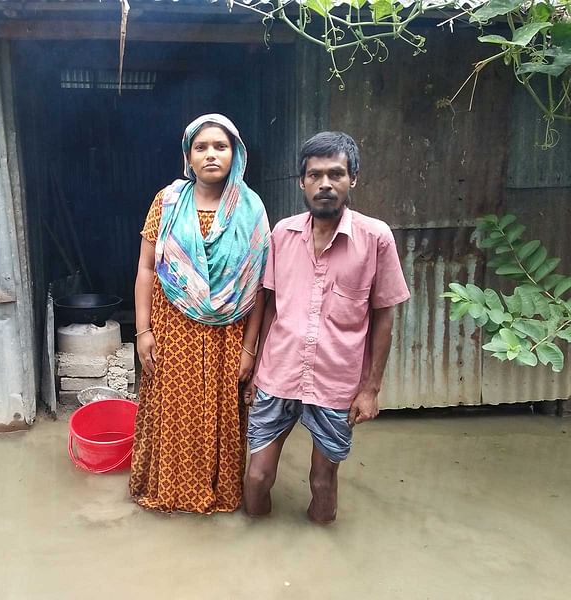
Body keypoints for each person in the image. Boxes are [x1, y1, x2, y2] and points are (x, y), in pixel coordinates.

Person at [243, 131, 410, 523]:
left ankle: (320, 549)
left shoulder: (375, 239)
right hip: (277, 376)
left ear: (353, 178)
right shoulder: (282, 234)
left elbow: (384, 316)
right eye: (315, 175)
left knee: (322, 483)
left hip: (336, 384)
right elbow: (270, 306)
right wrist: (256, 368)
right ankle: (255, 552)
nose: (325, 184)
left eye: (336, 174)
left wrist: (370, 390)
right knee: (257, 477)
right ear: (301, 181)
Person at [129, 114, 270, 513]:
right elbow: (145, 268)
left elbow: (259, 286)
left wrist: (250, 349)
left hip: (230, 333)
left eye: (220, 147)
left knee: (222, 413)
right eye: (201, 147)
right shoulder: (167, 201)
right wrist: (142, 332)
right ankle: (170, 496)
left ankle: (218, 495)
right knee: (173, 411)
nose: (211, 155)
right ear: (188, 156)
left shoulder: (251, 209)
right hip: (171, 327)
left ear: (235, 154)